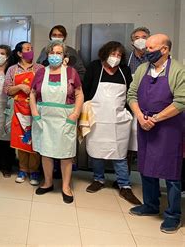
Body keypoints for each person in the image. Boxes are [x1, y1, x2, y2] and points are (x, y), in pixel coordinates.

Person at [127, 34, 185, 234]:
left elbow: (180, 102)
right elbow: (131, 94)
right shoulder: (143, 69)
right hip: (145, 126)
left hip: (169, 129)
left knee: (172, 173)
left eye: (151, 48)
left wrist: (156, 118)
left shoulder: (178, 70)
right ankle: (150, 205)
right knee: (146, 167)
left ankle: (173, 215)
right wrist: (140, 117)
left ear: (165, 50)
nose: (146, 51)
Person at [82, 41, 141, 205]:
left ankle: (124, 185)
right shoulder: (95, 67)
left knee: (119, 153)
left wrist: (128, 112)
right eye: (113, 54)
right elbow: (85, 90)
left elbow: (130, 93)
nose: (115, 58)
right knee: (97, 150)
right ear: (105, 53)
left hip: (118, 121)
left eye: (119, 55)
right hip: (97, 118)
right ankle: (98, 179)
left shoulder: (124, 70)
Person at [30, 40, 84, 204]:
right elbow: (32, 93)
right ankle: (48, 182)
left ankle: (66, 187)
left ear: (64, 56)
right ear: (47, 55)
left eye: (58, 53)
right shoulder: (40, 73)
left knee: (65, 154)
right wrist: (34, 113)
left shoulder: (71, 73)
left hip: (65, 118)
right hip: (44, 118)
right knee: (46, 152)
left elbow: (79, 94)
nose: (55, 56)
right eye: (52, 53)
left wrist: (75, 114)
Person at [4, 42, 43, 185]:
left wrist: (33, 91)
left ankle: (34, 171)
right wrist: (20, 86)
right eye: (27, 49)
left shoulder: (40, 68)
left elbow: (45, 88)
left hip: (35, 109)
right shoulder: (12, 70)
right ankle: (22, 169)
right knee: (21, 139)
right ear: (19, 53)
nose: (30, 51)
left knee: (34, 141)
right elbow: (7, 90)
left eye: (31, 49)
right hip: (18, 110)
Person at [0, 45, 15, 178]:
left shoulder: (11, 70)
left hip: (7, 107)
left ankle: (7, 166)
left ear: (7, 56)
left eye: (2, 53)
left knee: (7, 137)